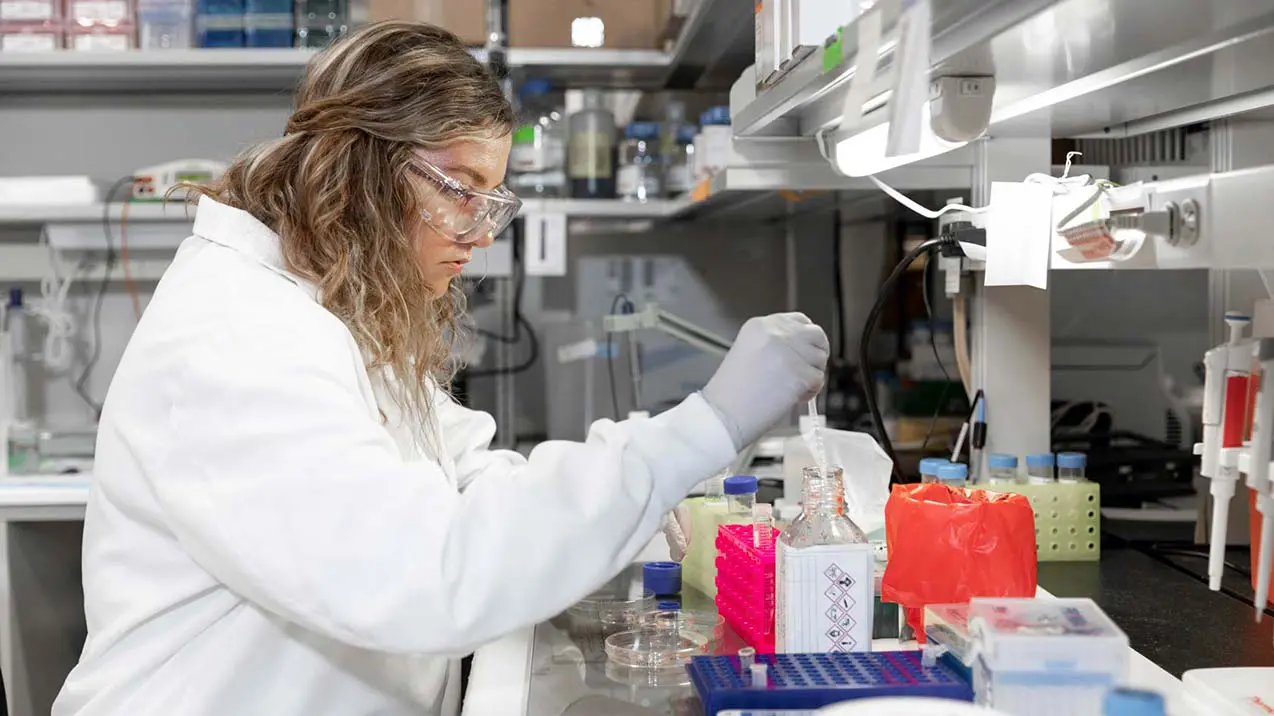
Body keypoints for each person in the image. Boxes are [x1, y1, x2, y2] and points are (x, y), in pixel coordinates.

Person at [52, 21, 829, 716]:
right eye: (461, 189)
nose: (480, 233)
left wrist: (635, 496)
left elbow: (466, 477)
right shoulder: (240, 334)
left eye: (491, 201)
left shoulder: (333, 304)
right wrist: (702, 428)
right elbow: (421, 574)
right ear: (358, 167)